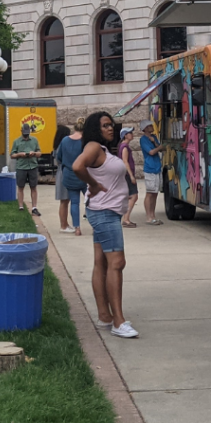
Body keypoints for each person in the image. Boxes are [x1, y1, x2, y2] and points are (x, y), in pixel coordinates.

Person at [73, 111, 138, 339]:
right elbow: (77, 166)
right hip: (105, 213)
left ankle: (105, 316)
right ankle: (118, 322)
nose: (111, 129)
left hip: (103, 211)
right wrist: (93, 185)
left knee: (101, 263)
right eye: (105, 125)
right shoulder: (93, 147)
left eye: (112, 125)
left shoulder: (100, 149)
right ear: (95, 129)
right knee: (117, 263)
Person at [54, 120, 86, 235]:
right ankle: (95, 226)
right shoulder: (85, 141)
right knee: (91, 201)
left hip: (69, 174)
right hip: (83, 174)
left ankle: (77, 228)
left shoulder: (65, 140)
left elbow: (59, 158)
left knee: (74, 202)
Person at [10, 123, 42, 216]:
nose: (26, 135)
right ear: (21, 131)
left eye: (27, 133)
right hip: (21, 167)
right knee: (20, 187)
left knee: (33, 187)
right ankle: (21, 206)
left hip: (33, 166)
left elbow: (40, 153)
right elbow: (12, 155)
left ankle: (34, 207)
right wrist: (20, 154)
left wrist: (34, 153)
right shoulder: (16, 141)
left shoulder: (34, 140)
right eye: (24, 133)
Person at [139, 120, 164, 225]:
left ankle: (153, 215)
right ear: (144, 129)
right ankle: (148, 216)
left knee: (155, 192)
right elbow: (152, 152)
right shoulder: (143, 139)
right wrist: (158, 147)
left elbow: (160, 148)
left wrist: (155, 142)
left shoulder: (154, 137)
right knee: (150, 193)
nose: (151, 127)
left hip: (157, 167)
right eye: (149, 126)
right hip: (150, 168)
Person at [118, 127, 139, 228]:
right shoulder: (125, 147)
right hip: (127, 175)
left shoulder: (124, 146)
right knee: (134, 196)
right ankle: (126, 219)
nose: (132, 134)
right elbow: (125, 161)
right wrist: (131, 176)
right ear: (125, 135)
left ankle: (126, 218)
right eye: (129, 133)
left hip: (126, 174)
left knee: (130, 196)